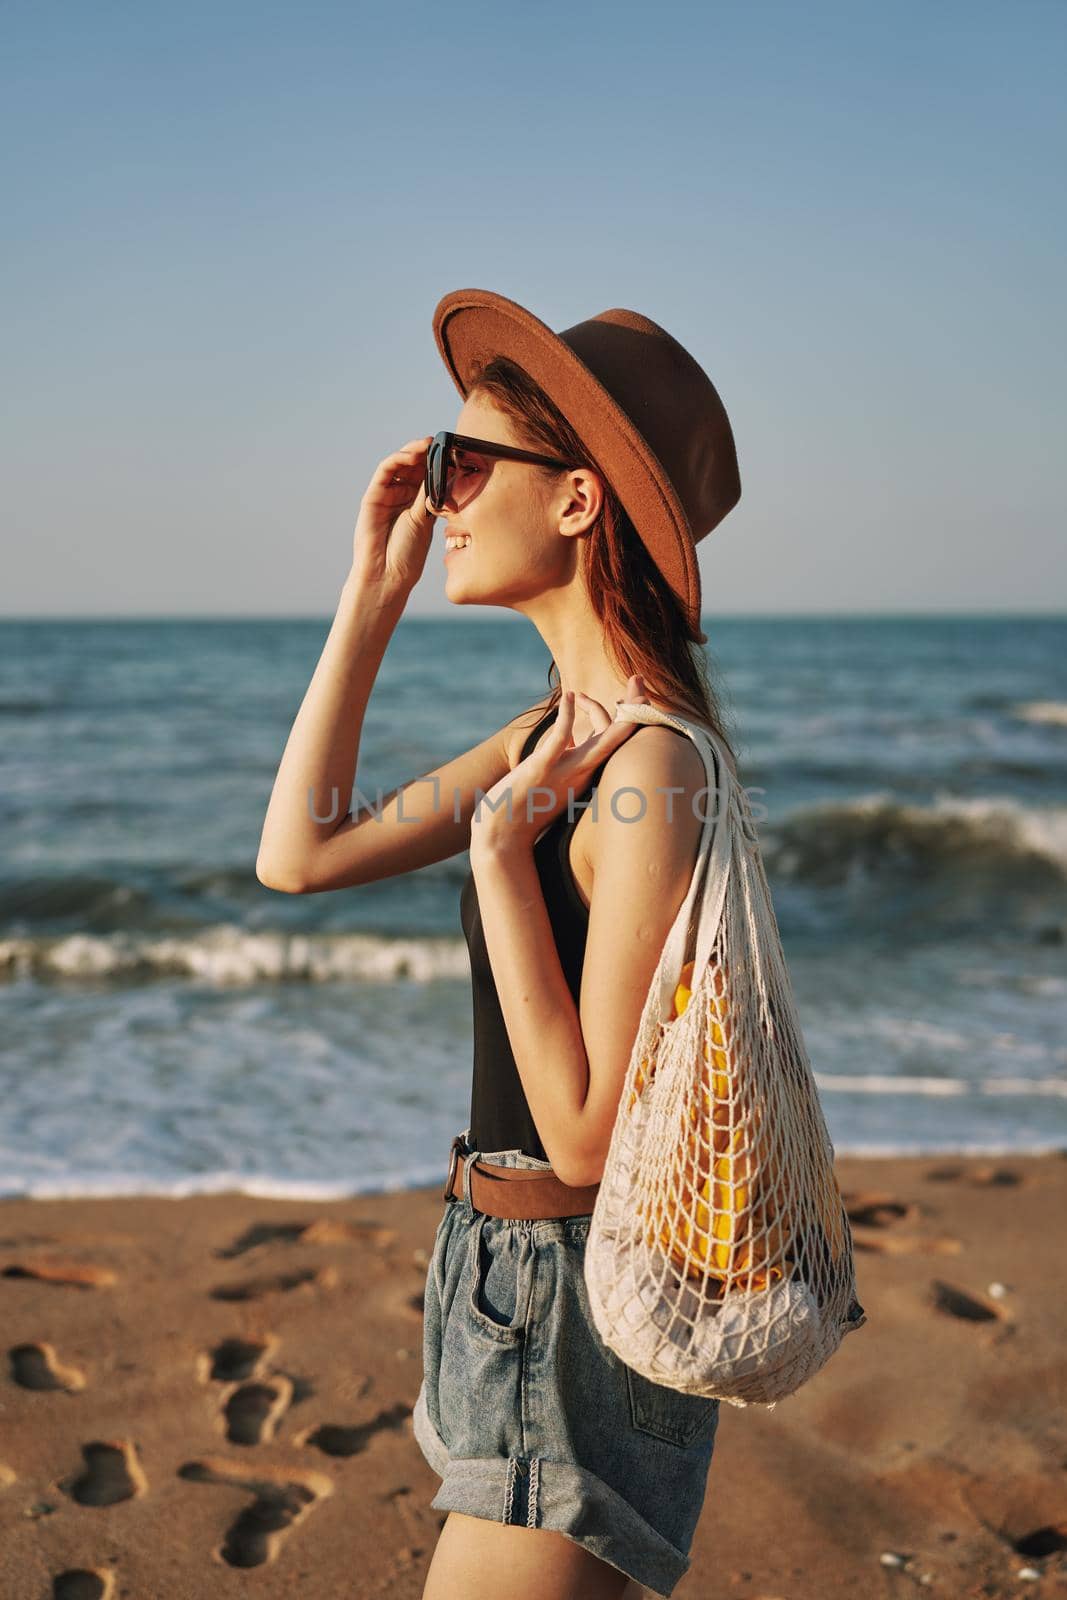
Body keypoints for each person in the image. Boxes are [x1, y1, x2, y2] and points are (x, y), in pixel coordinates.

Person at [256, 288, 743, 1599]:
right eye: (436, 465)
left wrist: (494, 860)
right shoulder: (548, 741)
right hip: (495, 1280)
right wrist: (371, 594)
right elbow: (298, 854)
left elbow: (586, 1135)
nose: (440, 496)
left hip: (567, 1304)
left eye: (464, 464)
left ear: (579, 501)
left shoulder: (645, 768)